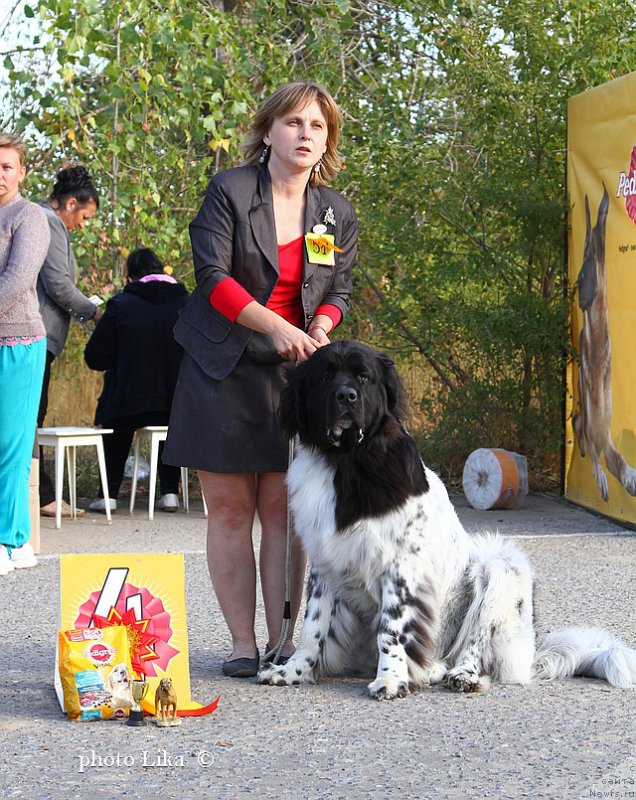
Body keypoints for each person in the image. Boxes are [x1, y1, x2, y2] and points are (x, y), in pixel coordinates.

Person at [164, 82, 358, 677]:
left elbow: (339, 291)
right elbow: (212, 276)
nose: (306, 135)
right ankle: (242, 644)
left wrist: (320, 326)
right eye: (295, 123)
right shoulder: (229, 191)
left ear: (327, 140)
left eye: (318, 127)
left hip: (293, 373)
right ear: (269, 130)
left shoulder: (335, 212)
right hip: (221, 364)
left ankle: (282, 640)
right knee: (228, 509)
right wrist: (276, 326)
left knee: (282, 510)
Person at [84, 247, 189, 512]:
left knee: (116, 421)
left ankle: (108, 494)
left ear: (130, 278)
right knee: (172, 415)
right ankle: (169, 493)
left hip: (129, 403)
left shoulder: (121, 304)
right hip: (176, 404)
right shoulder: (186, 304)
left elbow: (95, 358)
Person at [36, 165, 102, 519]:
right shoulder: (50, 223)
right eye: (85, 216)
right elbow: (59, 285)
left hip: (39, 336)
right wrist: (93, 312)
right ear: (70, 203)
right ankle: (41, 495)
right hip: (35, 335)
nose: (83, 224)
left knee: (33, 413)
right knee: (31, 415)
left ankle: (38, 492)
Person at [0, 133, 51, 575]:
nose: (0, 175)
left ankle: (9, 539)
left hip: (18, 342)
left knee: (10, 444)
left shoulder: (29, 216)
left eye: (7, 166)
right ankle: (14, 540)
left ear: (21, 172)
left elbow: (18, 281)